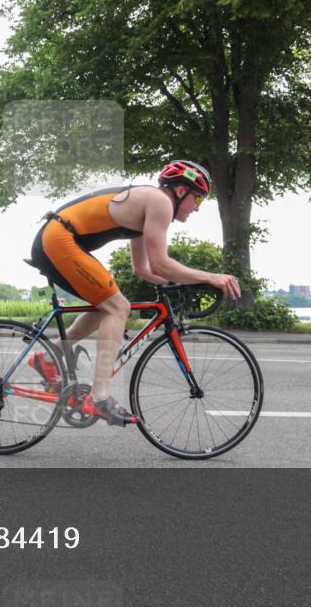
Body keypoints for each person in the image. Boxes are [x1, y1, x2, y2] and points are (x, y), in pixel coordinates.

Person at [28, 160, 241, 425]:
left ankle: (48, 357)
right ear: (180, 190)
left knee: (107, 306)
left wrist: (185, 283)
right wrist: (210, 277)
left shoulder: (147, 205)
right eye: (197, 198)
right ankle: (99, 397)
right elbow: (161, 264)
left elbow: (144, 269)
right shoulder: (160, 202)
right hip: (59, 239)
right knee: (118, 307)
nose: (197, 208)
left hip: (56, 238)